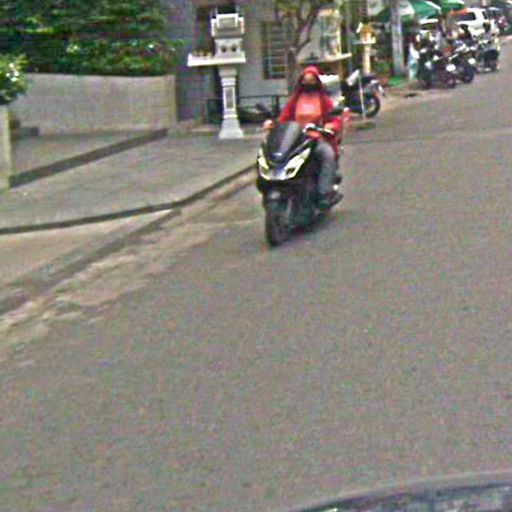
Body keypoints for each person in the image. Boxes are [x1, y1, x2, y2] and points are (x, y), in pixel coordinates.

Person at [263, 66, 342, 209]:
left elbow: (334, 118)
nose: (308, 83)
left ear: (317, 82)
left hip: (316, 139)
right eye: (305, 80)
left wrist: (331, 126)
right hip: (297, 139)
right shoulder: (295, 100)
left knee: (327, 155)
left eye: (311, 80)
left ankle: (324, 193)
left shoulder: (323, 100)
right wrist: (273, 124)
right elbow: (284, 118)